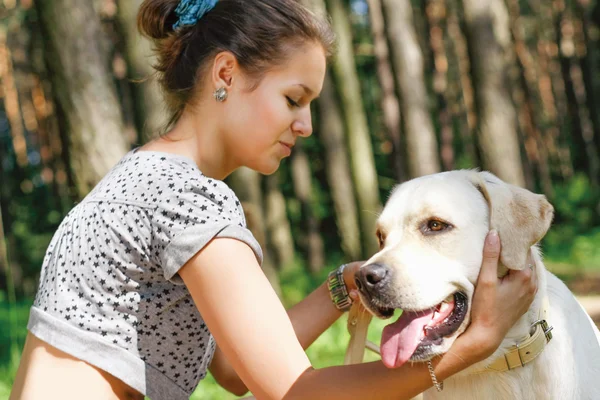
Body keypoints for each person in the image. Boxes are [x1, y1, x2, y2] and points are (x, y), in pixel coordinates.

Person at [10, 0, 538, 399]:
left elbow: (235, 371)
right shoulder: (189, 199)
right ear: (225, 74)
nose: (305, 125)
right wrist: (470, 348)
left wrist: (345, 284)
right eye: (293, 99)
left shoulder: (141, 175)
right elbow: (295, 392)